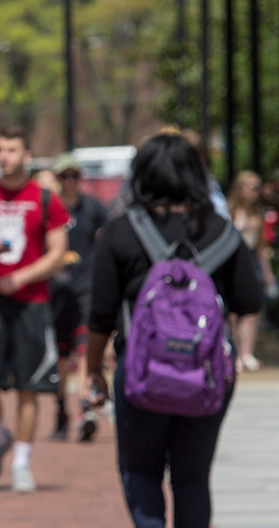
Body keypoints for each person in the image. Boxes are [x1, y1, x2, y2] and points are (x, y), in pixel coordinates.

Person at [85, 132, 261, 528]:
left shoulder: (121, 231)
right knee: (192, 477)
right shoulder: (222, 231)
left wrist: (92, 370)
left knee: (140, 470)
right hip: (207, 374)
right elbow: (249, 302)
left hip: (141, 372)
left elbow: (100, 315)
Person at [0, 125, 69, 492]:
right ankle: (0, 435)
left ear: (27, 156)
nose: (4, 156)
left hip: (32, 303)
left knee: (28, 386)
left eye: (12, 150)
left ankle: (22, 461)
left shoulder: (46, 199)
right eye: (0, 149)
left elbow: (57, 254)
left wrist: (21, 278)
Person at [45, 154, 108, 442]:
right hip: (56, 290)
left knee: (83, 351)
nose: (69, 182)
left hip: (86, 288)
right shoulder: (50, 208)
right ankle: (61, 414)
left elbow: (106, 241)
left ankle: (85, 411)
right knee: (60, 357)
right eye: (64, 177)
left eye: (74, 176)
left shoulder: (93, 208)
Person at [226, 170, 274, 372]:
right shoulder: (228, 210)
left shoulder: (259, 211)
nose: (255, 191)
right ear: (240, 188)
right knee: (232, 313)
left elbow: (261, 248)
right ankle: (233, 353)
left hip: (252, 262)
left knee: (252, 308)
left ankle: (247, 353)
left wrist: (268, 273)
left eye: (258, 187)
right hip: (231, 261)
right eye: (251, 186)